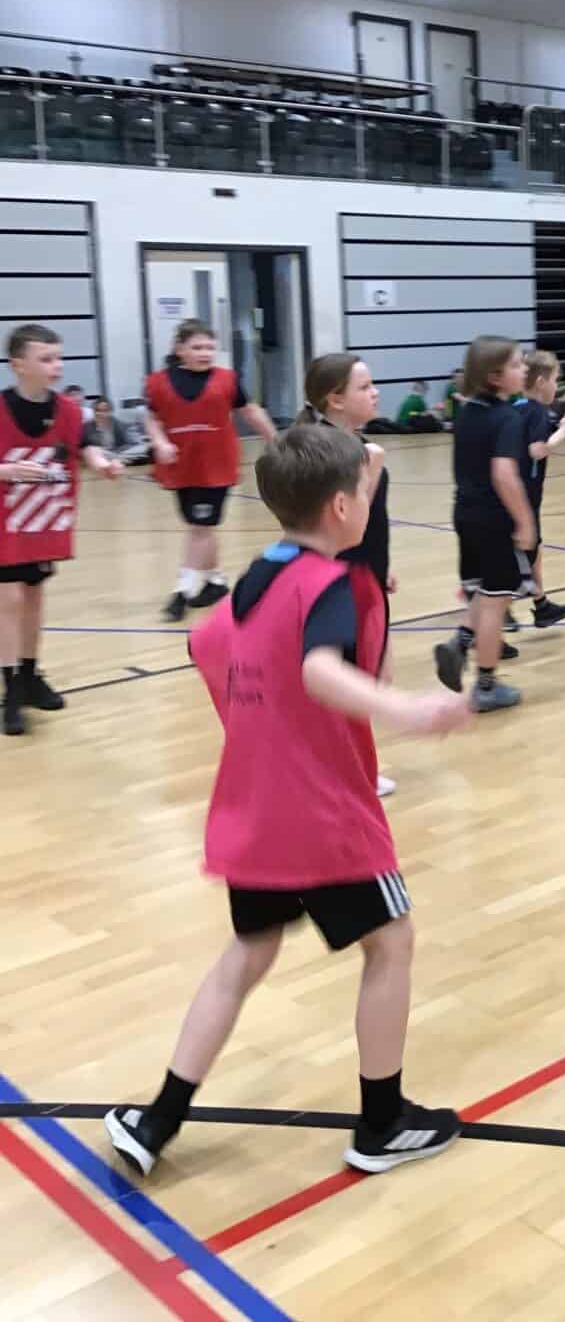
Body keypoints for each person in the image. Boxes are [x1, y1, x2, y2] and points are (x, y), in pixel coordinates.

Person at [103, 423, 470, 1181]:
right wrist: (409, 710)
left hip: (255, 810)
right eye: (364, 489)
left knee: (249, 951)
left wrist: (260, 728)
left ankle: (158, 1119)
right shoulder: (327, 585)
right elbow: (317, 671)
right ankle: (383, 1124)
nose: (370, 495)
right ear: (341, 508)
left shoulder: (257, 579)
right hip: (325, 817)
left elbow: (205, 648)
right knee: (392, 941)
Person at [1, 324, 122, 737]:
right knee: (9, 601)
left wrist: (102, 464)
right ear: (19, 365)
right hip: (4, 522)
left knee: (33, 599)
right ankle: (11, 690)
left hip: (43, 522)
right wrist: (7, 470)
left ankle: (30, 675)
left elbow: (86, 446)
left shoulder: (69, 411)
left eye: (59, 357)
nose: (57, 366)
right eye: (46, 359)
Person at [300, 354, 398, 798]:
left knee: (376, 674)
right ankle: (351, 772)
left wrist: (382, 567)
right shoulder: (325, 449)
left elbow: (371, 522)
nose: (375, 393)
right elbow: (343, 520)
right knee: (356, 680)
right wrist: (371, 470)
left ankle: (350, 765)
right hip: (337, 579)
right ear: (335, 399)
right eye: (364, 387)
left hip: (365, 573)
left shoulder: (354, 443)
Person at [145, 319, 277, 622]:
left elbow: (250, 411)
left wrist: (276, 442)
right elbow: (152, 417)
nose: (205, 353)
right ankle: (215, 581)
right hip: (180, 465)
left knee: (199, 527)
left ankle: (182, 591)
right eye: (197, 347)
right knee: (200, 526)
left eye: (209, 347)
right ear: (180, 349)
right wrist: (160, 441)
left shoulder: (227, 379)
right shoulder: (157, 382)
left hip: (216, 465)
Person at [433, 337, 535, 713]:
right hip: (494, 519)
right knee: (497, 600)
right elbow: (504, 474)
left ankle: (460, 642)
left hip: (465, 513)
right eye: (517, 365)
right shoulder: (507, 417)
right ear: (495, 376)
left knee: (484, 590)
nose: (525, 370)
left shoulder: (467, 412)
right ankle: (486, 685)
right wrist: (525, 521)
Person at [513, 351, 565, 628]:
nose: (557, 386)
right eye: (555, 380)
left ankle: (541, 605)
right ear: (541, 382)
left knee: (533, 548)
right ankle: (492, 611)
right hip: (525, 494)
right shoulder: (538, 411)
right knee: (522, 551)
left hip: (515, 489)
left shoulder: (517, 406)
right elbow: (537, 450)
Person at [91, 396, 151, 463]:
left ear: (110, 411)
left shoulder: (122, 425)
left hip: (122, 453)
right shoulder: (89, 427)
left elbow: (137, 445)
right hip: (104, 455)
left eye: (105, 410)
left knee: (143, 449)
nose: (102, 414)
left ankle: (118, 459)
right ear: (94, 412)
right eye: (98, 410)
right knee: (95, 452)